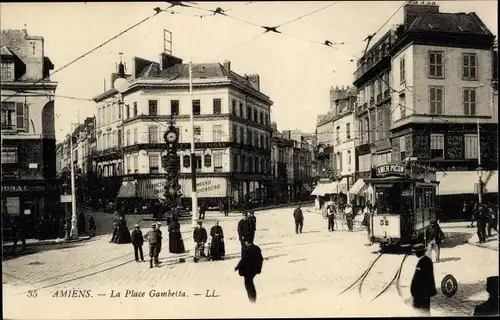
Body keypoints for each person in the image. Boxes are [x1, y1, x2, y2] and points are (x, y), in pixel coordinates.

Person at [410, 243, 437, 316]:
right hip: (424, 293)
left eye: (416, 252)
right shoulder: (426, 260)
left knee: (421, 312)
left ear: (420, 252)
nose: (415, 254)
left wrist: (414, 292)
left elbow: (419, 279)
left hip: (421, 294)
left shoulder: (423, 262)